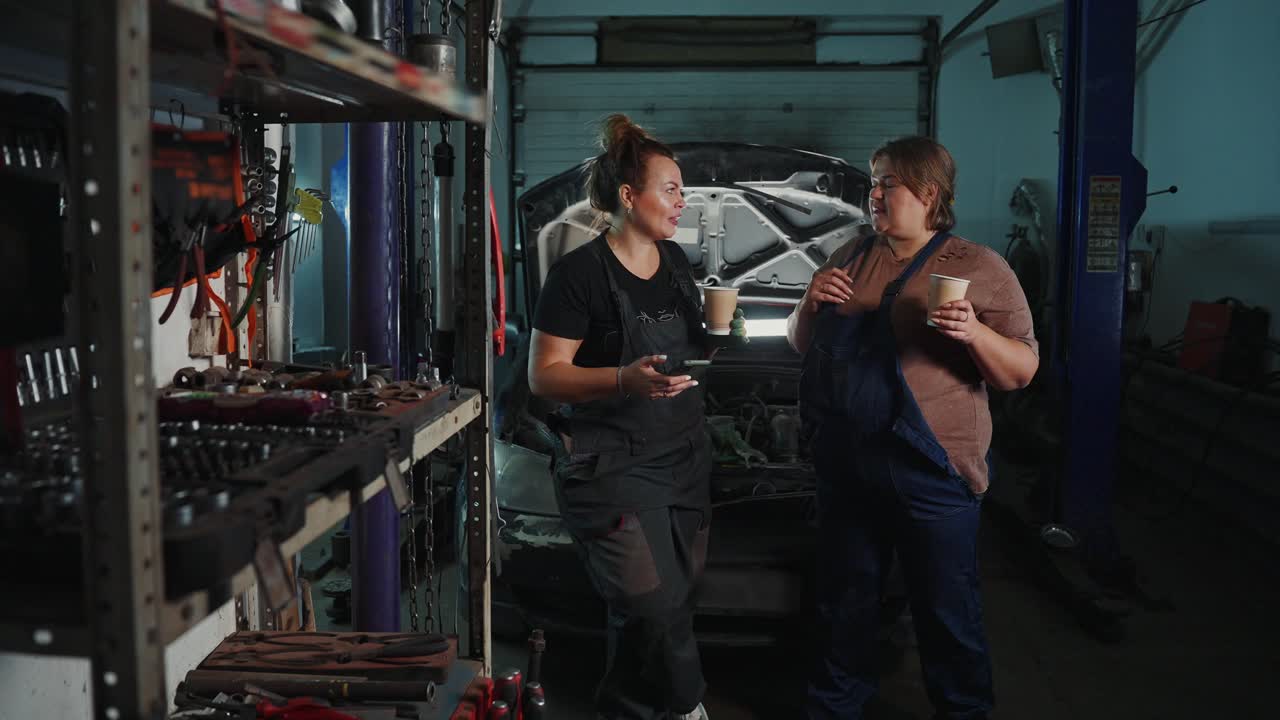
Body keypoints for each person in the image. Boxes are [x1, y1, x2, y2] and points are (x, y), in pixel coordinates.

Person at [788, 136, 1038, 720]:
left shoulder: (979, 267)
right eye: (873, 181)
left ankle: (963, 710)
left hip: (932, 471)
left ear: (928, 192)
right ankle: (836, 706)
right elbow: (805, 347)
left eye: (888, 183)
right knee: (845, 605)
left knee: (945, 609)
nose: (874, 194)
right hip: (849, 466)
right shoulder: (847, 257)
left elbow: (1022, 371)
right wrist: (809, 303)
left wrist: (975, 333)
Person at [528, 114, 712, 720]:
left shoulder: (677, 264)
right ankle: (689, 708)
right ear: (629, 197)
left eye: (682, 190)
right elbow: (544, 374)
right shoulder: (577, 275)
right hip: (611, 468)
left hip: (681, 457)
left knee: (658, 612)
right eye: (671, 189)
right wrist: (621, 379)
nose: (682, 201)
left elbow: (693, 348)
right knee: (655, 608)